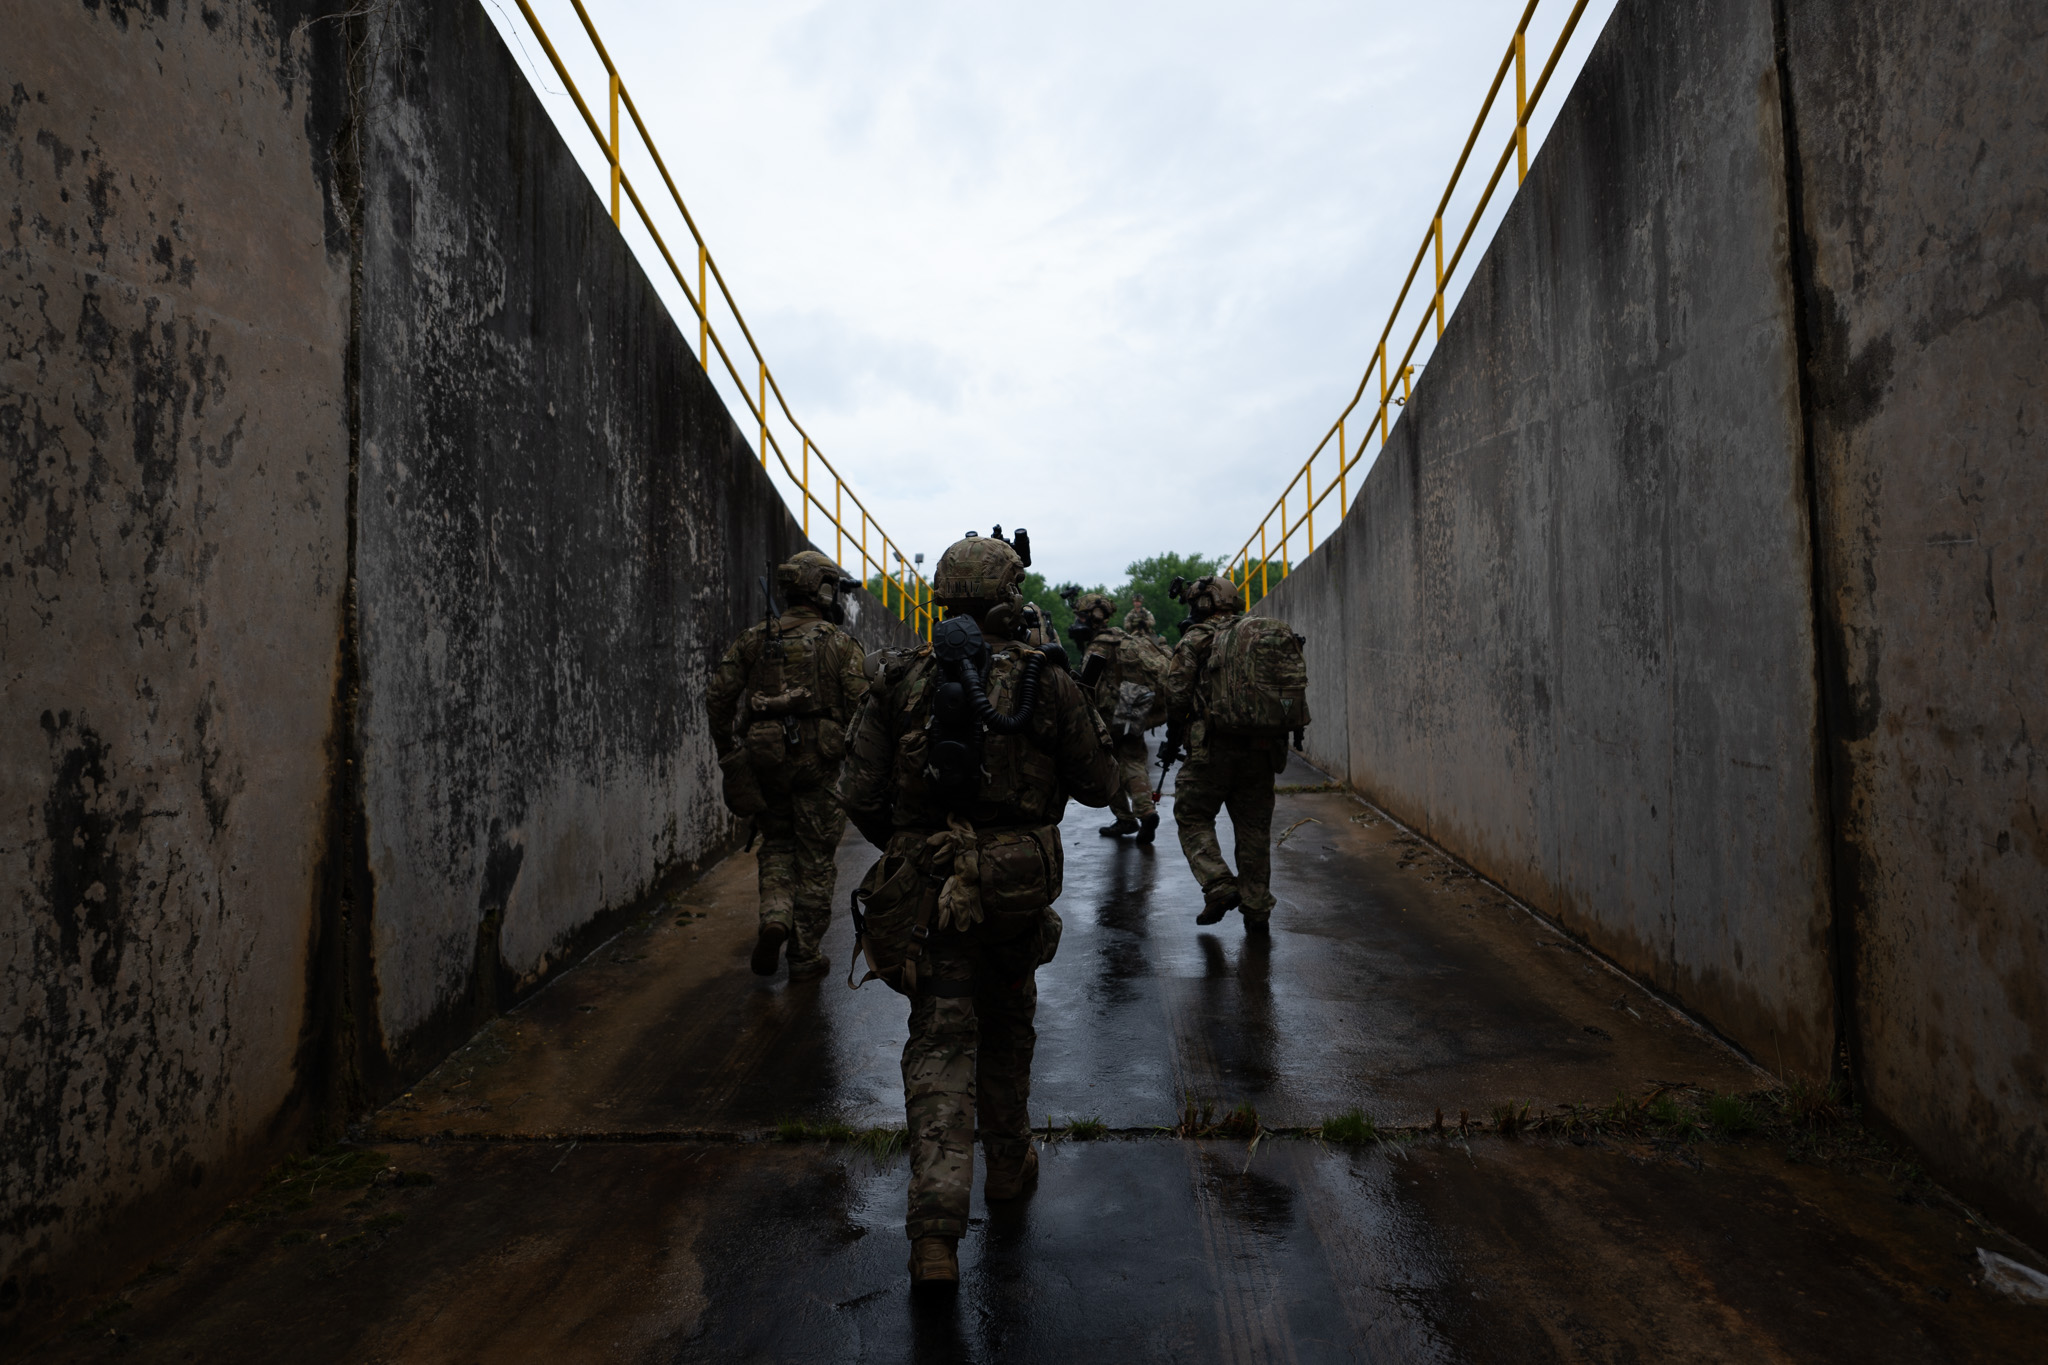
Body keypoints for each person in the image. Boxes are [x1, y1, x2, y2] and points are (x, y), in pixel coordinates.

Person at [839, 530, 1117, 1293]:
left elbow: (858, 793)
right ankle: (1005, 1166)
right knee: (1007, 1020)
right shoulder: (1044, 679)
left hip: (927, 893)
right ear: (1008, 598)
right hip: (1016, 890)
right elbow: (1099, 786)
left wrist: (910, 845)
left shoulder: (901, 678)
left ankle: (933, 1238)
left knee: (938, 1040)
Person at [704, 550, 869, 980]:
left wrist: (730, 752)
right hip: (820, 771)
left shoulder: (754, 639)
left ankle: (774, 918)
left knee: (776, 845)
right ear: (826, 590)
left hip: (766, 764)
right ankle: (804, 955)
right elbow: (864, 708)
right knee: (815, 860)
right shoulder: (838, 643)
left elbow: (718, 697)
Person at [1160, 574, 1309, 931]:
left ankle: (1219, 883)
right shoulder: (1256, 636)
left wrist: (1176, 726)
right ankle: (1257, 909)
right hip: (1261, 750)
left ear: (1205, 603)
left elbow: (1176, 691)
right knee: (1254, 830)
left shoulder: (1197, 638)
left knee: (1192, 815)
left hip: (1213, 749)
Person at [1066, 592, 1169, 842]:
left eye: (1081, 616)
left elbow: (1086, 687)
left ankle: (1124, 818)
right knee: (1133, 760)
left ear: (1092, 617)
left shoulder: (1098, 646)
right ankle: (1146, 812)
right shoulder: (1125, 639)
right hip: (1132, 706)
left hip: (1108, 715)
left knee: (1107, 766)